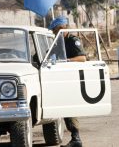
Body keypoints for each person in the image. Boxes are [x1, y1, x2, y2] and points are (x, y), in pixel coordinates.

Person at [48, 16, 86, 147]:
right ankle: (75, 138)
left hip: (72, 78)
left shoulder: (73, 40)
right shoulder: (59, 42)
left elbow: (82, 58)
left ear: (62, 28)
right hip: (62, 79)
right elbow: (50, 54)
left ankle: (76, 139)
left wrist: (67, 61)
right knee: (65, 108)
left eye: (55, 30)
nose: (53, 33)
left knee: (69, 107)